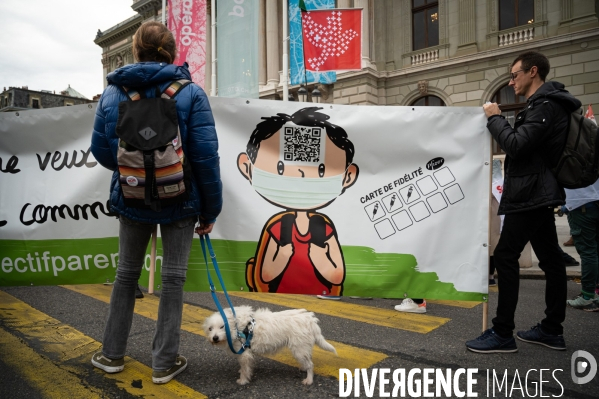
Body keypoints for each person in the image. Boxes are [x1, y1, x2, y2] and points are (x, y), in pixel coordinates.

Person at [90, 21, 222, 383]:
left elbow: (102, 151)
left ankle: (112, 354)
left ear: (135, 50)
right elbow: (206, 157)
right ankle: (164, 361)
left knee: (126, 273)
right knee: (174, 278)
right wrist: (210, 209)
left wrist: (135, 167)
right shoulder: (190, 92)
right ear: (172, 51)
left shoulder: (112, 93)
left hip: (132, 196)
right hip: (180, 198)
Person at [466, 51, 581, 353]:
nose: (511, 80)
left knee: (505, 256)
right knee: (552, 260)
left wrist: (495, 118)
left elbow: (516, 145)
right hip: (537, 192)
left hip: (531, 193)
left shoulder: (545, 105)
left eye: (515, 74)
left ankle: (503, 332)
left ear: (533, 72)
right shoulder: (544, 104)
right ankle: (551, 329)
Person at [562, 181, 599, 311]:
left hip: (581, 204)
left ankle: (588, 296)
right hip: (593, 201)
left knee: (588, 252)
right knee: (595, 252)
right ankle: (595, 292)